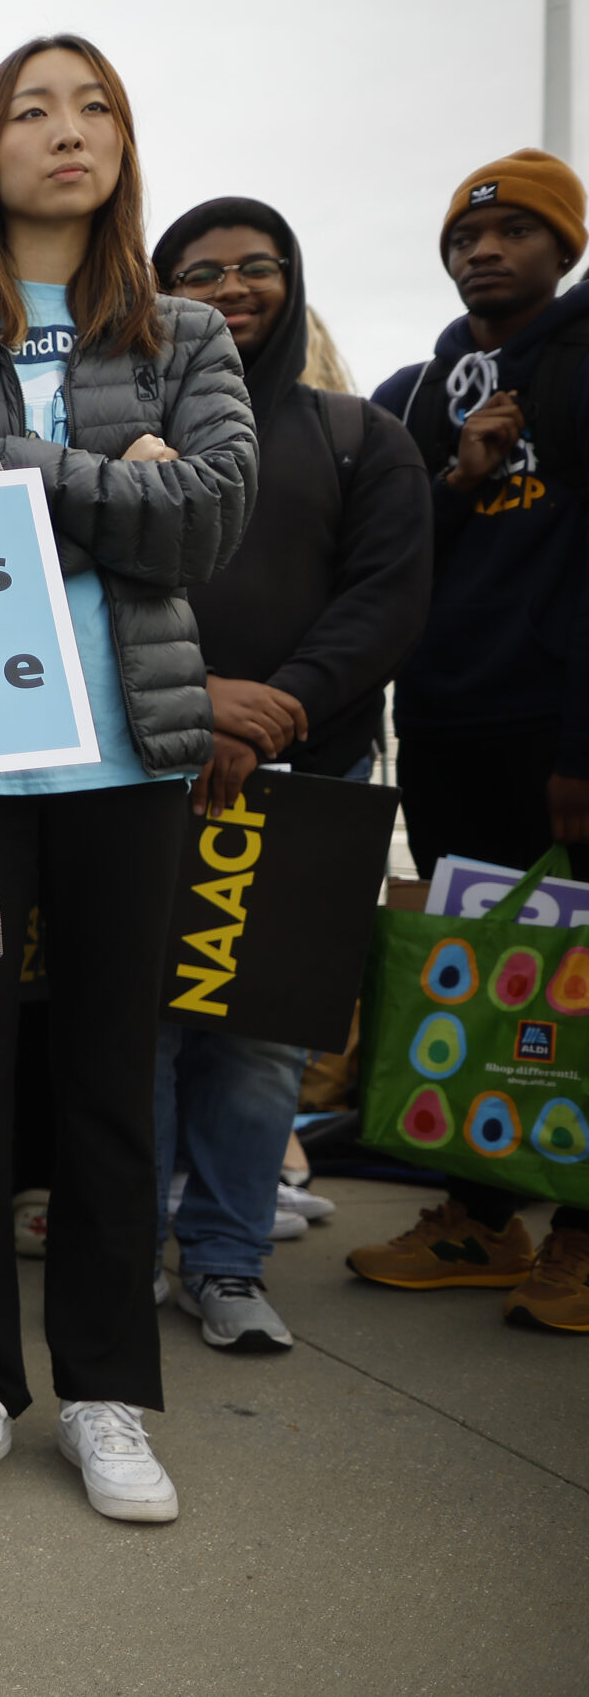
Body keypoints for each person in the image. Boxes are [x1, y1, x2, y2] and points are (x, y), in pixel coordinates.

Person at [0, 36, 256, 1527]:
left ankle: (110, 1389)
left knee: (112, 1080)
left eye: (95, 107)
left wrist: (25, 469)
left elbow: (212, 522)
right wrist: (126, 482)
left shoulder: (183, 328)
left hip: (126, 758)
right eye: (33, 110)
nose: (68, 131)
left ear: (123, 145)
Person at [144, 199, 431, 1352]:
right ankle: (122, 1254)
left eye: (257, 268)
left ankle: (220, 1260)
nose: (232, 288)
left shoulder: (360, 435)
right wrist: (193, 694)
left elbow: (389, 601)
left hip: (307, 777)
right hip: (148, 763)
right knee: (139, 1034)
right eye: (199, 271)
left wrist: (276, 712)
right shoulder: (126, 439)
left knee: (258, 1040)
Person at [362, 149, 589, 1331]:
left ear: (565, 248)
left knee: (581, 987)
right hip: (447, 721)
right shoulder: (430, 383)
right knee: (472, 979)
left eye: (510, 235)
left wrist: (581, 746)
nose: (481, 253)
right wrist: (459, 476)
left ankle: (583, 1241)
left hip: (556, 733)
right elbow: (407, 556)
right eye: (462, 239)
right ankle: (480, 1218)